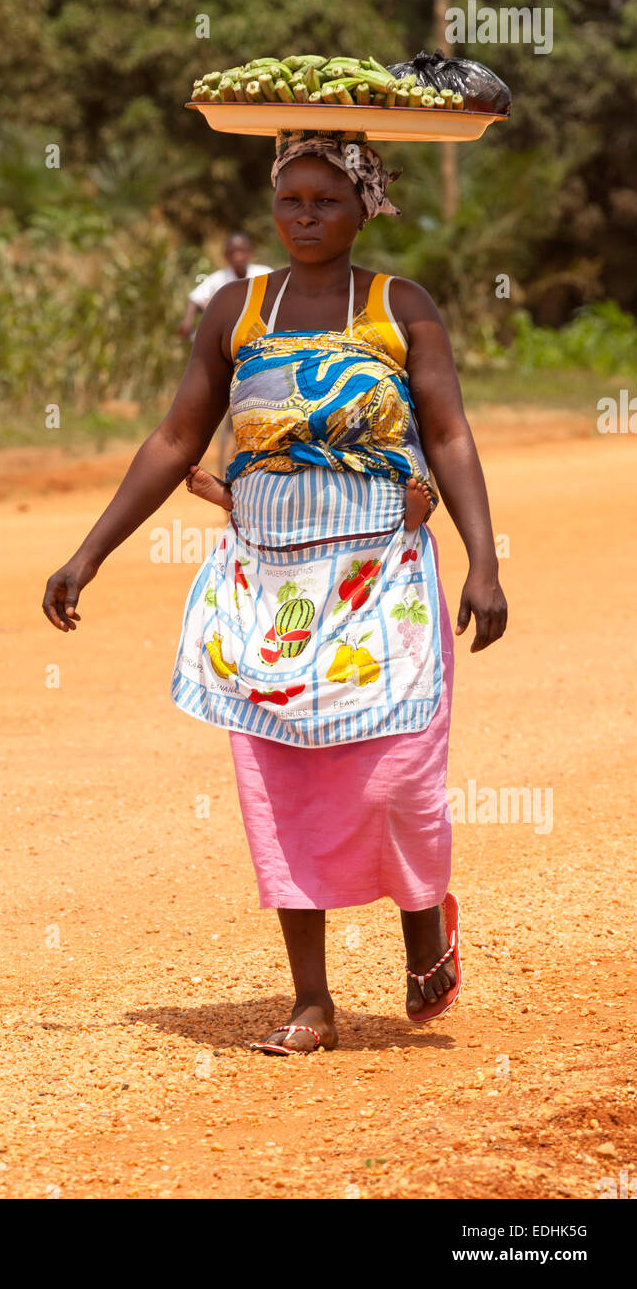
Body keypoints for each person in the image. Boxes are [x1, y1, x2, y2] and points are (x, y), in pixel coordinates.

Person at [43, 127, 507, 1055]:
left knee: (395, 778)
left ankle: (423, 921)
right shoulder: (237, 310)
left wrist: (483, 561)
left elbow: (448, 436)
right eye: (290, 199)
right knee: (279, 778)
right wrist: (88, 551)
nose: (304, 216)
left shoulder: (398, 308)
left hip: (383, 577)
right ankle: (311, 1001)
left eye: (325, 199)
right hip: (270, 579)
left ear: (363, 206)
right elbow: (177, 438)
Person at [179, 232, 271, 477]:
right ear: (226, 257)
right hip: (227, 349)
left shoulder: (264, 274)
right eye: (233, 253)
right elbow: (194, 301)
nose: (238, 257)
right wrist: (187, 323)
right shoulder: (218, 280)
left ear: (250, 254)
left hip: (259, 348)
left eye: (242, 252)